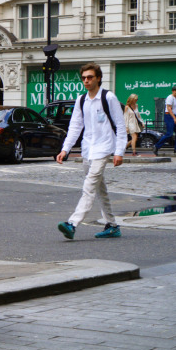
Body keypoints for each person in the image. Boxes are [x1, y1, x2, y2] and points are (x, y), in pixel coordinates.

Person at [56, 63, 126, 239]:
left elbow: (120, 125)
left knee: (89, 186)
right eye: (84, 78)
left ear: (98, 78)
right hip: (88, 149)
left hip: (104, 149)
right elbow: (75, 126)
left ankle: (72, 223)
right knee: (99, 189)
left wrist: (119, 152)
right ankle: (112, 225)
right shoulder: (81, 100)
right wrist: (65, 149)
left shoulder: (108, 98)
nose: (86, 81)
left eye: (90, 77)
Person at [161, 86, 176, 153]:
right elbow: (169, 108)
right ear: (172, 91)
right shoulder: (170, 97)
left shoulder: (175, 98)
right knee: (169, 134)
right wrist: (174, 118)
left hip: (173, 115)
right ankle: (157, 146)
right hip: (169, 116)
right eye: (175, 90)